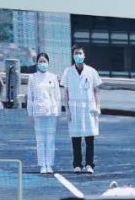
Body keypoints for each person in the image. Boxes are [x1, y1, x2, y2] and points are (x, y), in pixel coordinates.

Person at [61, 45, 102, 174]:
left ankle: (89, 164)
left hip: (89, 108)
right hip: (74, 109)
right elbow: (65, 92)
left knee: (90, 138)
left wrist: (98, 107)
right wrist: (67, 110)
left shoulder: (92, 71)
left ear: (84, 55)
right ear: (73, 56)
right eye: (76, 53)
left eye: (80, 53)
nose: (78, 56)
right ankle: (77, 164)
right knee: (76, 138)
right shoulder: (68, 72)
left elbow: (96, 90)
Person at [26, 52, 60, 175]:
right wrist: (30, 112)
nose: (42, 63)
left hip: (51, 112)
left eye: (44, 61)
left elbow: (57, 96)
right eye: (40, 61)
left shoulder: (53, 77)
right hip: (38, 111)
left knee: (50, 140)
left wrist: (57, 111)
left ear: (48, 63)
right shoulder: (32, 78)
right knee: (40, 140)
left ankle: (49, 164)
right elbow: (30, 96)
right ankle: (42, 165)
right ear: (37, 63)